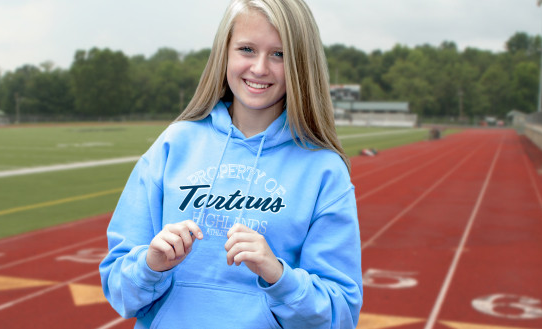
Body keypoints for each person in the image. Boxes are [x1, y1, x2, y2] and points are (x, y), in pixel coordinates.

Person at [98, 0, 363, 328]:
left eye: (279, 54)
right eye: (247, 49)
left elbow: (340, 314)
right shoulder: (174, 144)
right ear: (224, 53)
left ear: (301, 64)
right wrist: (151, 266)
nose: (260, 68)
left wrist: (278, 275)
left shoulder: (324, 170)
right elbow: (119, 290)